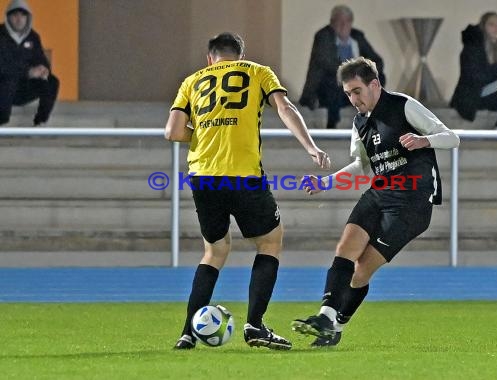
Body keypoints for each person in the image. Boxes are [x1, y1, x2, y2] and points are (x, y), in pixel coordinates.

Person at [164, 32, 330, 351]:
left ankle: (187, 332)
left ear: (209, 57)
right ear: (239, 56)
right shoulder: (256, 71)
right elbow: (284, 107)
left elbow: (172, 131)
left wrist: (206, 138)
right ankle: (255, 324)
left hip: (203, 176)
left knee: (214, 251)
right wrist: (310, 146)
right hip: (243, 174)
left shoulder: (192, 81)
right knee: (270, 241)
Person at [291, 57, 459, 347]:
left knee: (361, 271)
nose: (353, 99)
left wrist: (424, 142)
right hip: (380, 191)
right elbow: (361, 165)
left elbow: (451, 137)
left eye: (357, 91)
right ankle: (325, 316)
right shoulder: (359, 123)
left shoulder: (403, 105)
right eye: (348, 94)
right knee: (345, 249)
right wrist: (325, 182)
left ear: (374, 85)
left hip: (413, 201)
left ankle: (337, 325)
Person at [299, 5, 386, 129]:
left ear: (351, 23)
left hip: (357, 82)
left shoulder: (357, 37)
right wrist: (353, 74)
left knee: (379, 78)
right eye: (339, 22)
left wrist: (367, 73)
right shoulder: (323, 36)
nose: (343, 26)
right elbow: (327, 64)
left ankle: (375, 118)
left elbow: (377, 60)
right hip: (331, 86)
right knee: (334, 83)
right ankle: (332, 125)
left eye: (347, 22)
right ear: (332, 23)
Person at [450, 12, 497, 130]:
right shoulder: (472, 48)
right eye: (491, 24)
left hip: (494, 93)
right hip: (473, 95)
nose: (496, 28)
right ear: (483, 26)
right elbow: (476, 77)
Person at [0, 0, 59, 126]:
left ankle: (40, 122)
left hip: (23, 88)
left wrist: (44, 69)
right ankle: (2, 120)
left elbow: (40, 58)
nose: (19, 19)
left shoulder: (33, 37)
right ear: (8, 17)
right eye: (15, 15)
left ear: (28, 18)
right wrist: (28, 72)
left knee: (52, 81)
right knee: (9, 79)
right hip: (3, 88)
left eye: (23, 15)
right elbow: (3, 66)